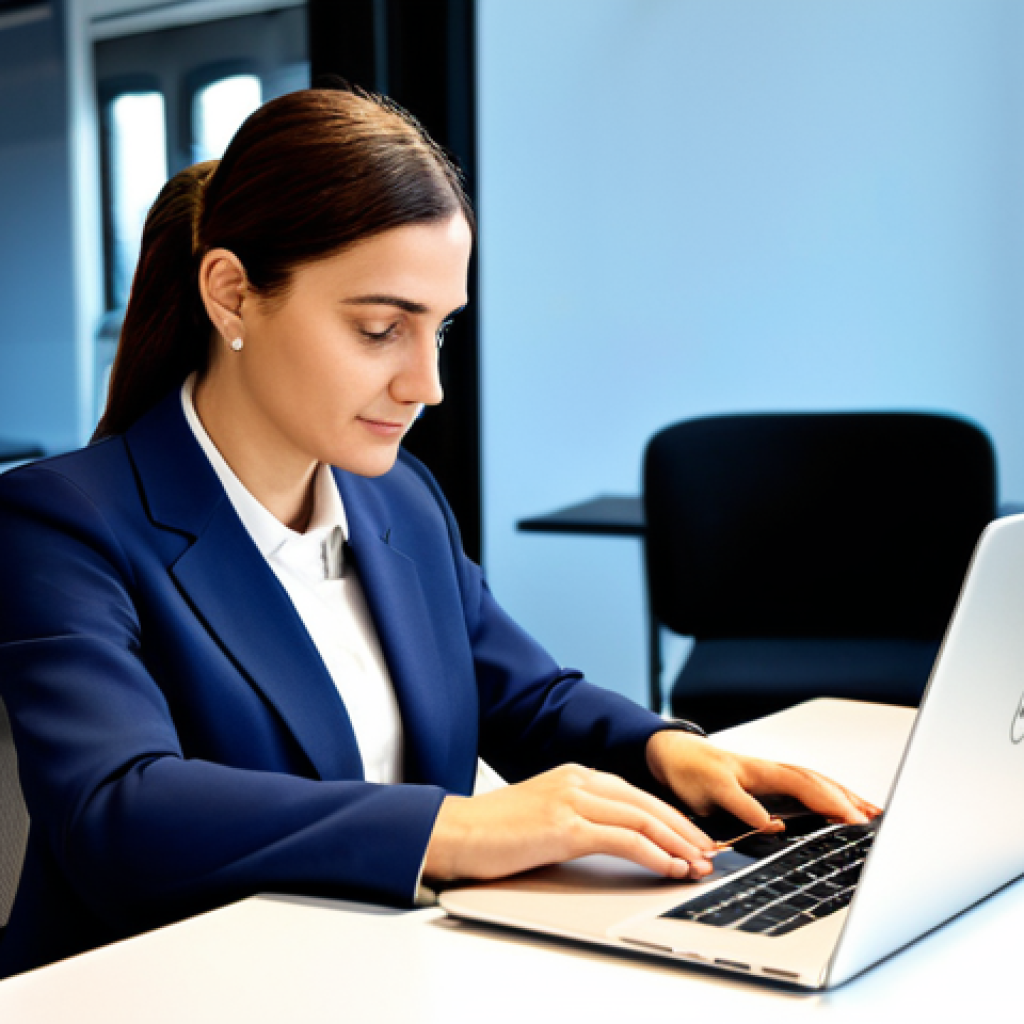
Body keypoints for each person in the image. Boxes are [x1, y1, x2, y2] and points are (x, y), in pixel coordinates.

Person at [0, 88, 877, 979]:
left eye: (440, 329)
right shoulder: (62, 521)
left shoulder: (399, 500)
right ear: (232, 296)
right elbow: (117, 810)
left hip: (382, 971)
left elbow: (526, 699)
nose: (427, 384)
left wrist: (670, 751)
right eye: (381, 329)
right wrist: (452, 830)